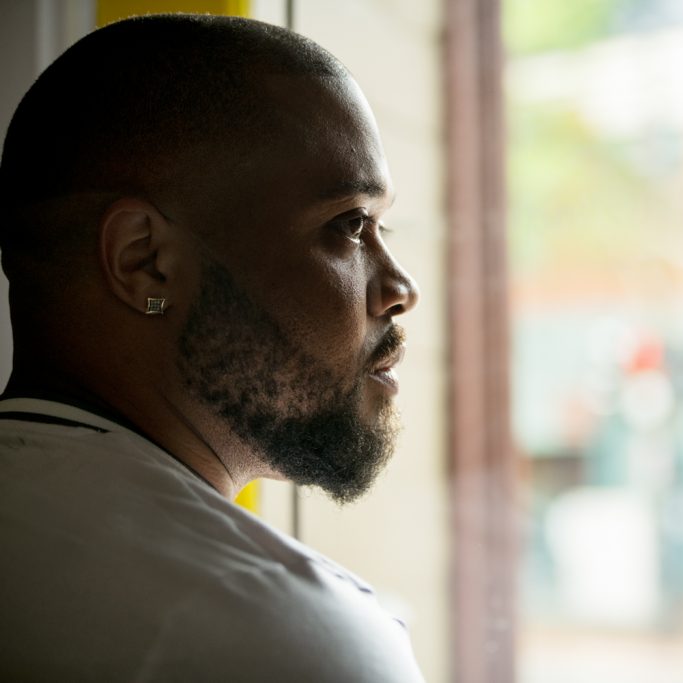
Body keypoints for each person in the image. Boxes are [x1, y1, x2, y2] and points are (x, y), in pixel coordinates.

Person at [0, 14, 424, 681]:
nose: (401, 287)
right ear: (147, 267)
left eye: (382, 226)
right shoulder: (276, 635)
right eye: (348, 226)